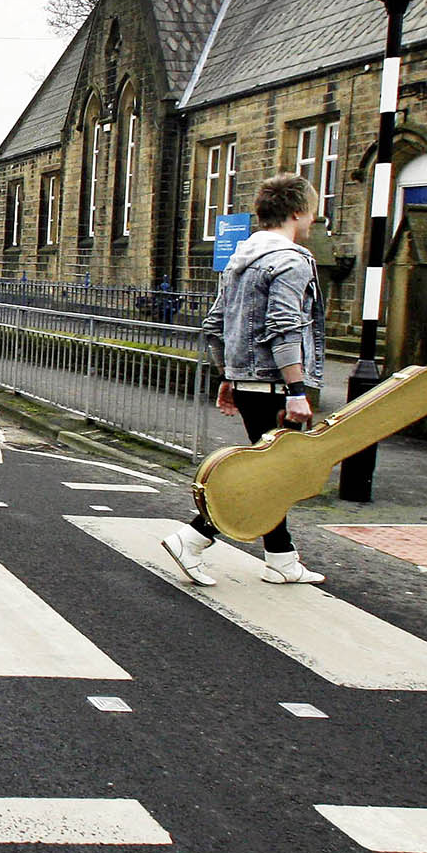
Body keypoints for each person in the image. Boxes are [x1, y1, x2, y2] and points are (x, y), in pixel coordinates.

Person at [162, 173, 328, 586]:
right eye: (311, 211)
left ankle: (281, 559)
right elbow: (284, 326)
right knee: (273, 476)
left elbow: (215, 324)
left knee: (273, 472)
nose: (313, 220)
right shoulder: (290, 260)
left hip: (248, 380)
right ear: (296, 212)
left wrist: (229, 375)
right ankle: (195, 537)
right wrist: (295, 390)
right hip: (275, 384)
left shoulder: (241, 259)